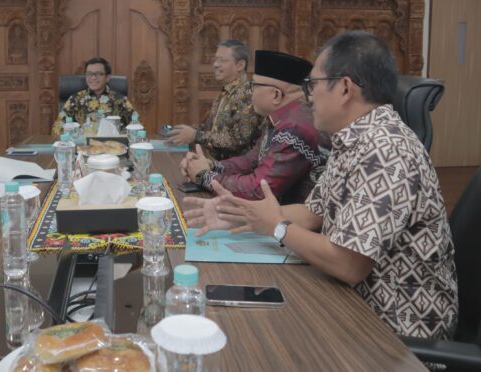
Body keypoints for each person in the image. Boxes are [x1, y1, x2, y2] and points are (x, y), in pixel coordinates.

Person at [184, 31, 457, 339]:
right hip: (350, 301)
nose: (307, 96)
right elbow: (314, 213)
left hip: (394, 328)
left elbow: (348, 263)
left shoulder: (385, 150)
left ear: (344, 88)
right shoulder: (353, 138)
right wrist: (241, 216)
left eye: (312, 85)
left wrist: (279, 228)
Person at [180, 51, 326, 202]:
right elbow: (251, 161)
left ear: (276, 95)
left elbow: (258, 189)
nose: (250, 94)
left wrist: (204, 175)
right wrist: (211, 165)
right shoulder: (283, 116)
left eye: (254, 86)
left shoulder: (294, 127)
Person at [167, 39, 262, 160]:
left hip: (238, 172)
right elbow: (209, 129)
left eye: (222, 60)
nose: (215, 64)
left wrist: (195, 135)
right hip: (217, 165)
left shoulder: (249, 95)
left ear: (240, 65)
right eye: (215, 59)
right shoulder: (226, 92)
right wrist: (182, 133)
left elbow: (239, 139)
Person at [52, 57, 136, 135]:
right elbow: (57, 129)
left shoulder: (120, 100)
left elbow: (136, 127)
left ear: (108, 77)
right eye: (89, 74)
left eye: (98, 74)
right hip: (83, 147)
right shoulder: (75, 99)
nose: (93, 78)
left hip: (112, 147)